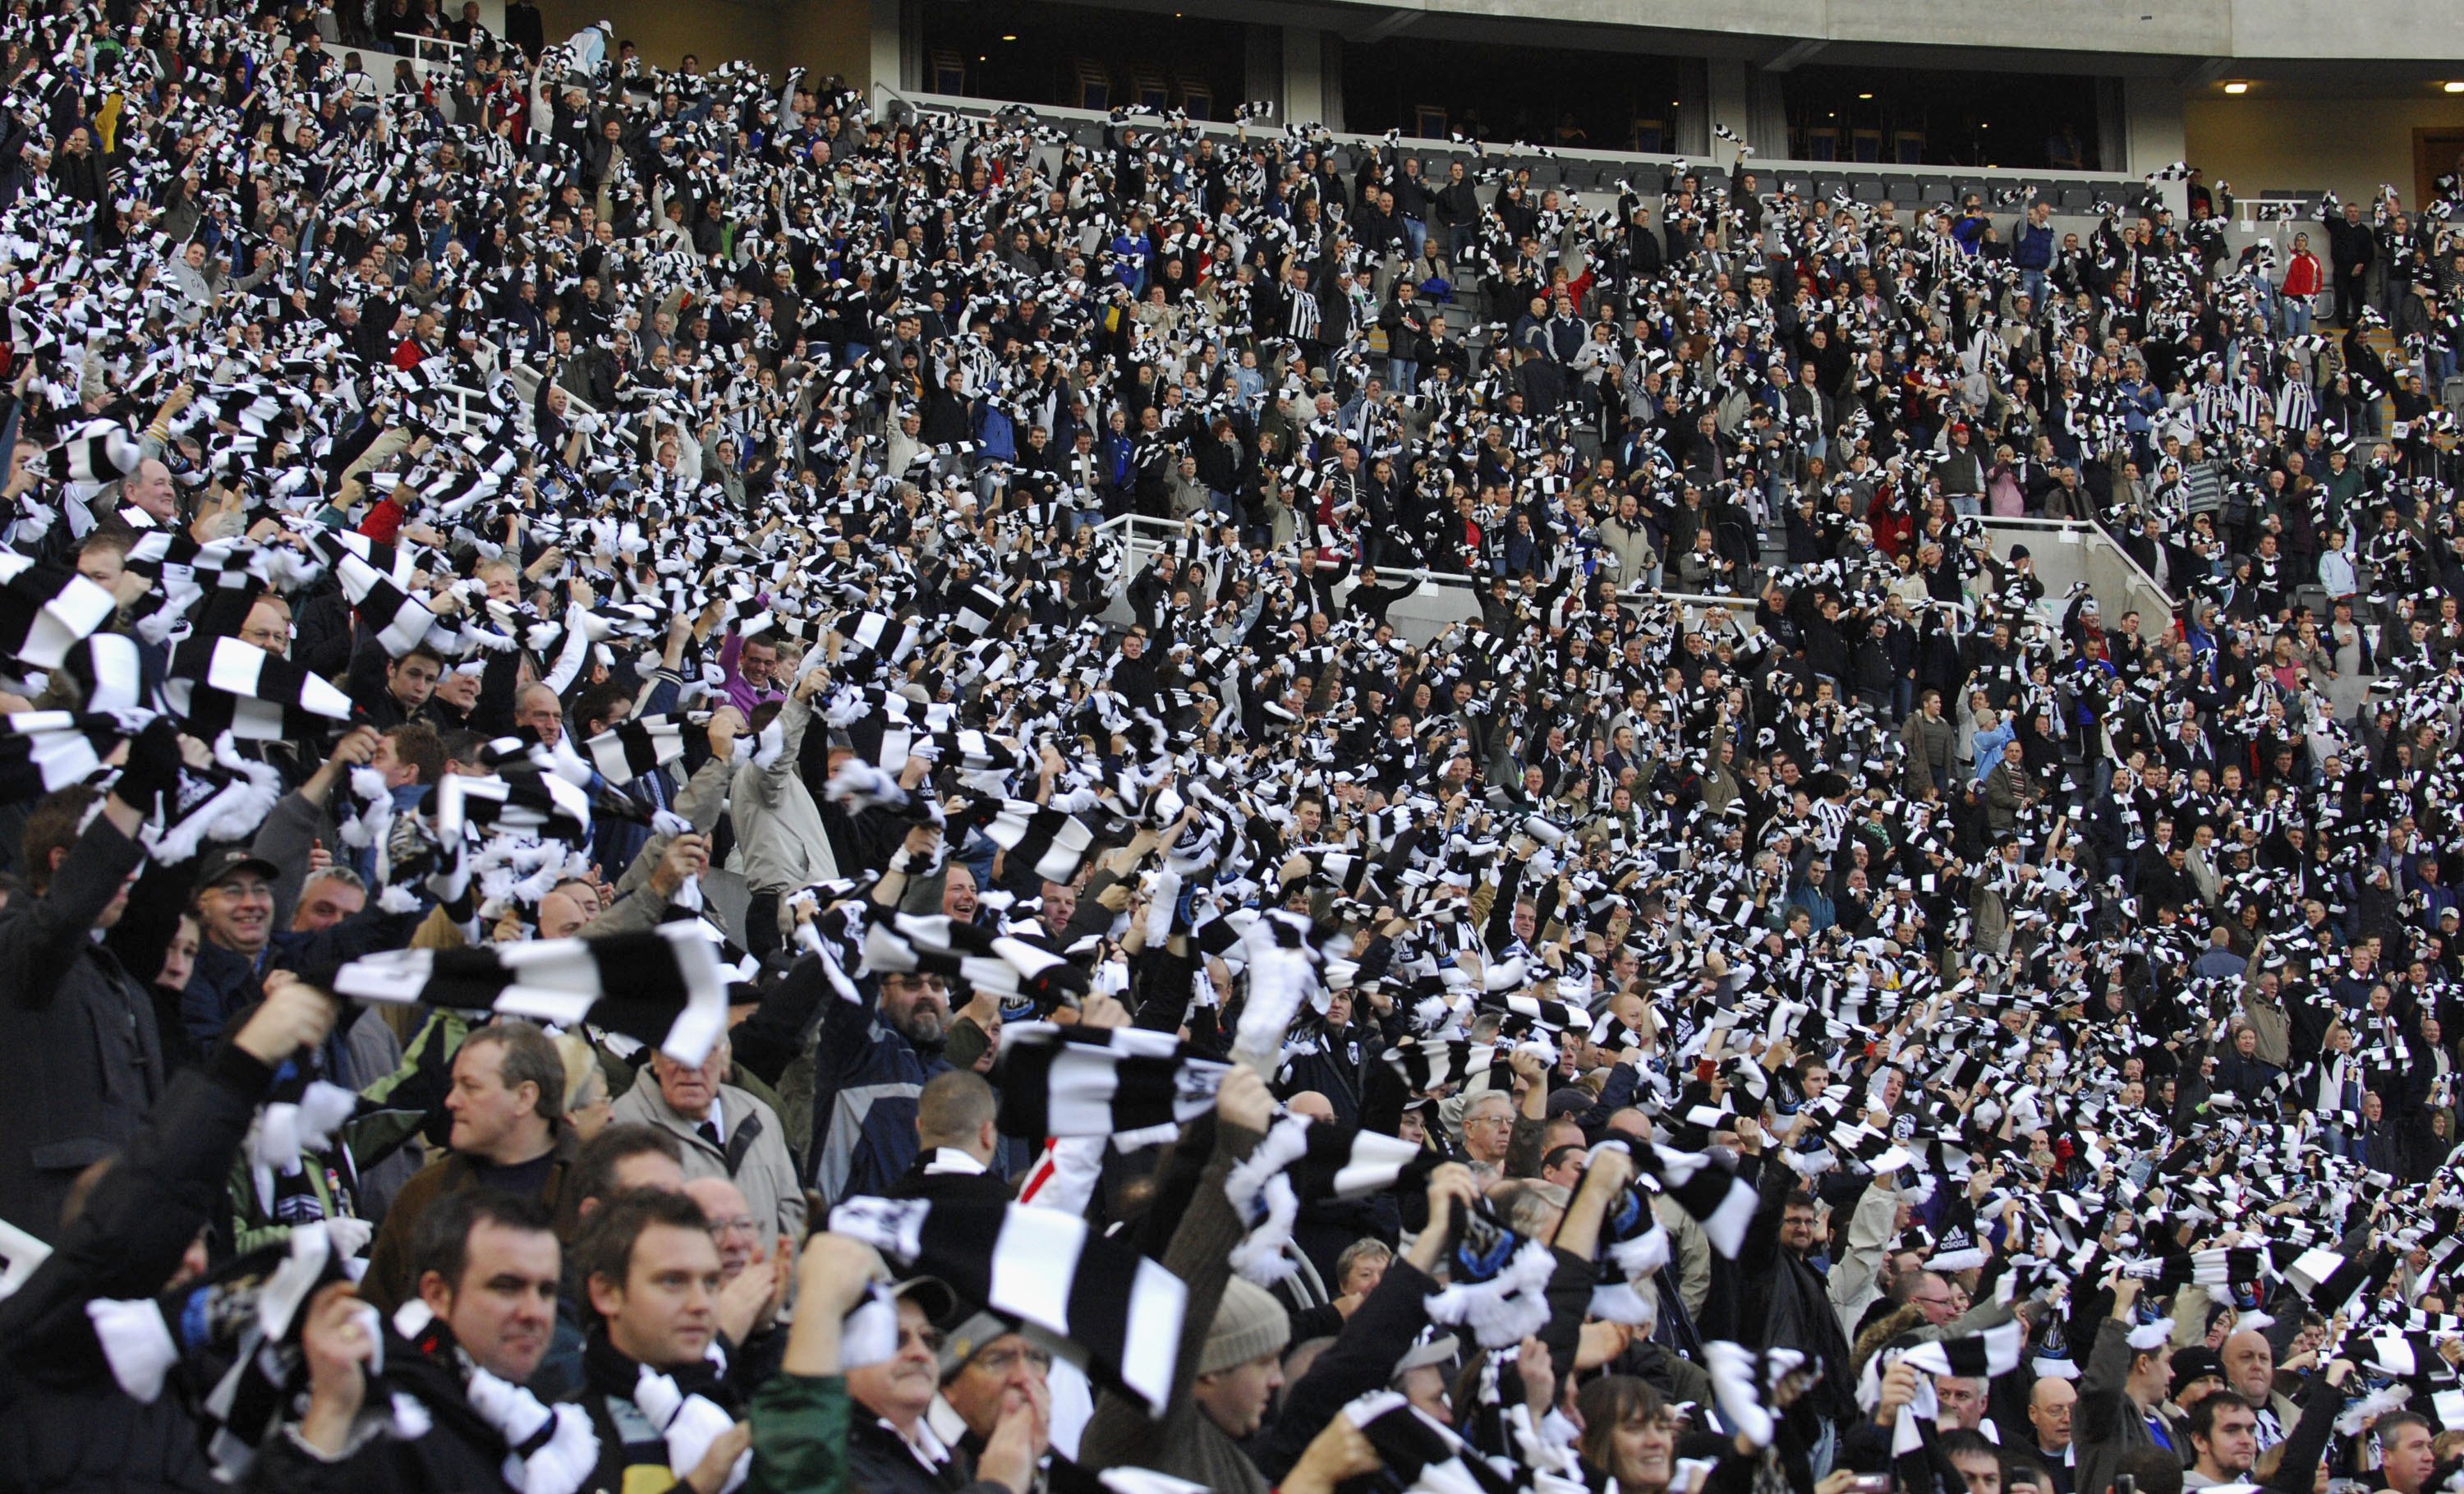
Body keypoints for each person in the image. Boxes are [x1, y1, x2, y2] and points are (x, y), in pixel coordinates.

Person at [363, 1022, 578, 1312]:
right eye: (454, 1086)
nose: (451, 1101)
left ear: (525, 1097)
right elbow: (376, 1317)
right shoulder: (422, 1196)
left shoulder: (594, 1188)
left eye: (471, 1087)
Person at [608, 1034, 805, 1248]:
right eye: (676, 1053)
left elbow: (793, 1221)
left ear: (725, 1058)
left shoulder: (760, 1116)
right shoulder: (622, 1127)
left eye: (704, 1052)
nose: (690, 1066)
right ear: (654, 1058)